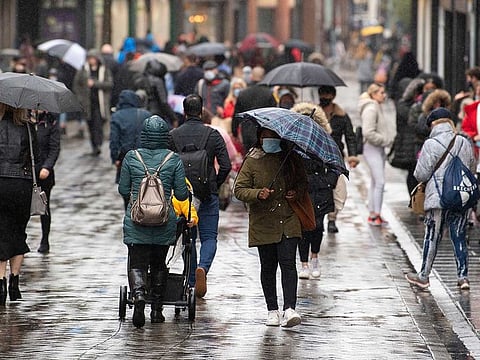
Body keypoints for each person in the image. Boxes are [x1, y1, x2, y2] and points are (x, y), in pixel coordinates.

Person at [118, 115, 189, 328]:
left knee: (137, 261)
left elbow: (122, 189)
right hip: (163, 222)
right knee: (159, 263)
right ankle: (156, 310)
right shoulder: (173, 159)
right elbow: (183, 195)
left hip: (136, 221)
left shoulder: (132, 157)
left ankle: (139, 294)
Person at [233, 127, 307, 328]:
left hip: (288, 220)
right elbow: (238, 189)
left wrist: (296, 192)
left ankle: (290, 308)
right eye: (266, 137)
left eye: (274, 137)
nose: (270, 140)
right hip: (263, 222)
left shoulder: (290, 158)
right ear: (259, 138)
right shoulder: (252, 160)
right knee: (268, 266)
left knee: (288, 263)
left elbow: (302, 182)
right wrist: (257, 193)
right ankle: (272, 310)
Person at [169, 94, 231, 298]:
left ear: (184, 112)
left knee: (189, 238)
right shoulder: (212, 135)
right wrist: (215, 183)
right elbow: (226, 165)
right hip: (208, 192)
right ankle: (203, 267)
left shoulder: (173, 135)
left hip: (182, 195)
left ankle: (192, 281)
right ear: (202, 110)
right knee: (209, 237)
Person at [406, 108, 475, 290]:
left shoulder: (430, 144)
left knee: (432, 236)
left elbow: (420, 174)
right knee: (459, 235)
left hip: (438, 199)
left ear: (433, 125)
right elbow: (471, 168)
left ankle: (423, 276)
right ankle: (463, 277)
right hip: (461, 195)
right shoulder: (463, 141)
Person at [291, 103, 338, 279]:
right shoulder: (293, 143)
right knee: (303, 227)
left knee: (317, 227)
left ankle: (315, 256)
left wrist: (326, 182)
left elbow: (335, 167)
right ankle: (303, 262)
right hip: (301, 190)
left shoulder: (324, 141)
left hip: (321, 190)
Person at [0, 103, 38, 305]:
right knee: (18, 232)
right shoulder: (28, 127)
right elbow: (36, 158)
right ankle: (15, 281)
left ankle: (1, 282)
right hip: (21, 185)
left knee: (1, 233)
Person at [317, 85, 359, 233]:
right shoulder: (314, 113)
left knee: (336, 187)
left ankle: (332, 219)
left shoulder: (342, 116)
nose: (324, 97)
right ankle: (319, 215)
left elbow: (350, 136)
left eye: (327, 94)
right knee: (319, 187)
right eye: (322, 93)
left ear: (333, 96)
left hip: (336, 155)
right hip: (317, 155)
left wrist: (352, 155)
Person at [358, 83, 396, 226]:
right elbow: (368, 132)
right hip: (372, 147)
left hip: (377, 148)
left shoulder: (375, 106)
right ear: (373, 94)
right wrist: (384, 140)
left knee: (375, 181)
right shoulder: (371, 108)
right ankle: (375, 215)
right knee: (379, 182)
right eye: (380, 92)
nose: (384, 95)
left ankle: (374, 213)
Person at [110, 90, 152, 208]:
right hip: (145, 159)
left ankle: (130, 218)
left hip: (125, 159)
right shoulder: (146, 114)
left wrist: (115, 159)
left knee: (127, 194)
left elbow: (114, 141)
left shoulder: (116, 116)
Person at [73, 49, 113, 156]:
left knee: (98, 124)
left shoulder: (104, 70)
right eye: (90, 58)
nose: (91, 60)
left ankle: (98, 144)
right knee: (90, 124)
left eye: (93, 58)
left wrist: (95, 84)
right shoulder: (83, 70)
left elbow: (109, 84)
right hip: (88, 103)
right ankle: (94, 145)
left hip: (100, 103)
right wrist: (80, 98)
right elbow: (77, 85)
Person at [31, 110, 61, 254]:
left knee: (44, 207)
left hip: (44, 173)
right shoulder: (25, 122)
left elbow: (54, 148)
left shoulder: (51, 122)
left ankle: (45, 240)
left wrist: (47, 166)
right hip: (26, 172)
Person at [232, 66, 276, 154]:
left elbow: (236, 115)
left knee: (249, 157)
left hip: (247, 132)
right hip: (264, 132)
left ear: (251, 76)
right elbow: (274, 115)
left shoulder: (243, 93)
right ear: (264, 77)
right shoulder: (269, 94)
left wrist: (234, 132)